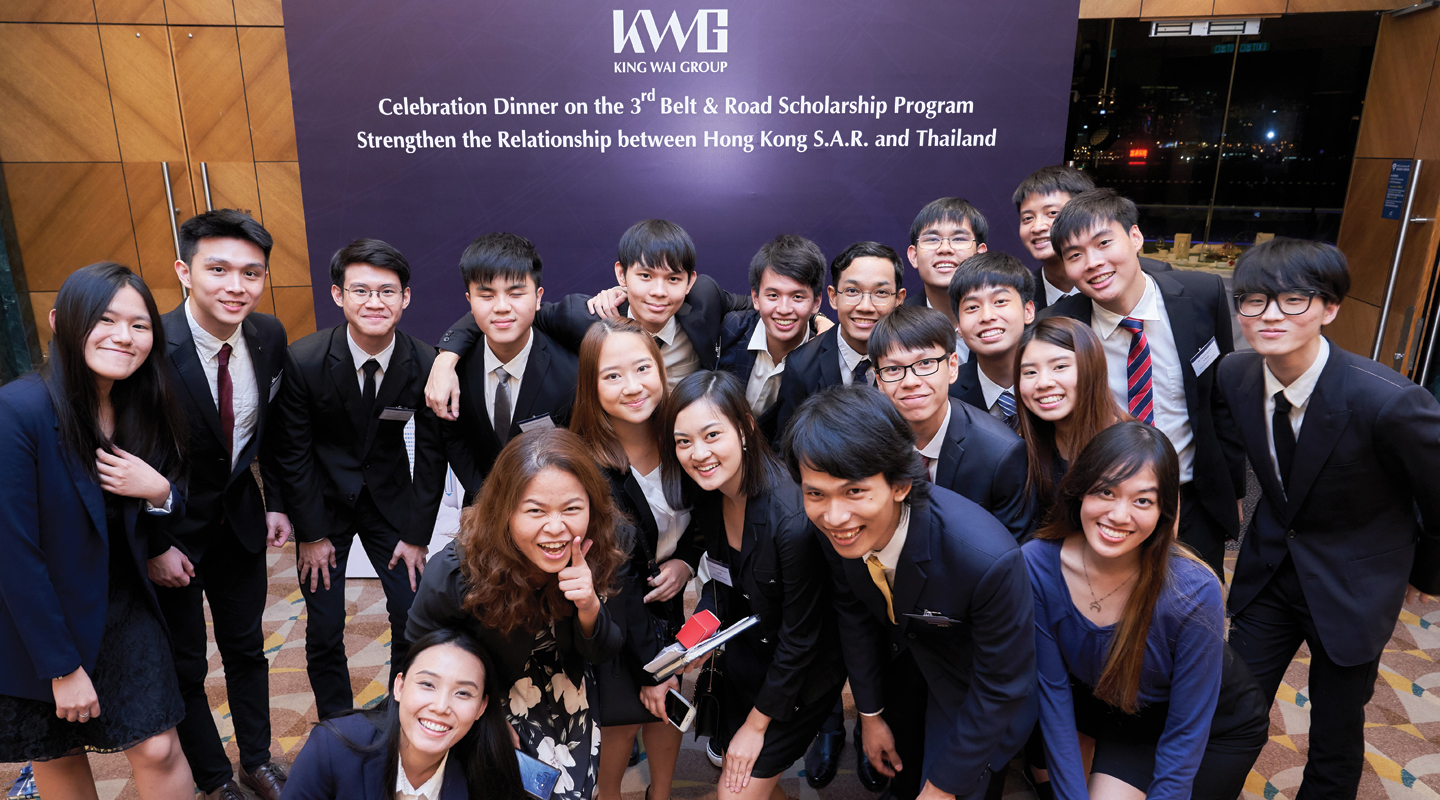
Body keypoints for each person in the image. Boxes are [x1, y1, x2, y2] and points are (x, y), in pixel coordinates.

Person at [1215, 238, 1440, 800]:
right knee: (1230, 707)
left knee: (1336, 731)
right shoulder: (1235, 377)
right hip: (1269, 571)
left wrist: (1420, 578)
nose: (1269, 315)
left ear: (1330, 308)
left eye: (1293, 300)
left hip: (1354, 585)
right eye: (1253, 300)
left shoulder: (1388, 401)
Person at [786, 384, 1035, 800]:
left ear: (901, 484)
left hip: (973, 688)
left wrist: (942, 788)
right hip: (907, 664)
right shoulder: (839, 529)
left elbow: (1001, 688)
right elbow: (854, 613)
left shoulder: (987, 561)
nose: (833, 516)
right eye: (815, 494)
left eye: (854, 491)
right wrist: (870, 714)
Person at [0, 263, 192, 798]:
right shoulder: (18, 410)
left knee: (158, 746)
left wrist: (158, 496)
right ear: (61, 322)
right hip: (38, 617)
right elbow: (13, 553)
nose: (124, 337)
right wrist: (61, 667)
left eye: (139, 324)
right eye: (105, 320)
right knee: (57, 750)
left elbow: (158, 503)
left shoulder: (141, 402)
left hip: (120, 601)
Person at [1025, 422, 1268, 800]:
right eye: (1106, 491)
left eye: (1142, 500)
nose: (1119, 515)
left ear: (1164, 512)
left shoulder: (1191, 589)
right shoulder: (1036, 565)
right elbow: (1054, 696)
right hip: (1127, 714)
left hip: (1217, 724)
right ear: (1080, 492)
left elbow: (1187, 729)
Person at [270, 238, 447, 720]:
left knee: (413, 614)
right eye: (361, 291)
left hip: (389, 503)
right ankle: (337, 725)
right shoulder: (304, 361)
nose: (375, 303)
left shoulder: (425, 362)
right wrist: (311, 535)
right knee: (325, 626)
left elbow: (432, 455)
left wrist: (416, 536)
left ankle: (398, 714)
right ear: (337, 295)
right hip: (321, 505)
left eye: (387, 292)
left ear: (406, 298)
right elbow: (292, 452)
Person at [151, 209, 292, 800]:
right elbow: (120, 452)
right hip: (170, 533)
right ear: (185, 271)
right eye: (219, 270)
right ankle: (214, 777)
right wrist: (156, 543)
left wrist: (278, 503)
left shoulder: (268, 336)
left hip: (239, 523)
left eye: (252, 273)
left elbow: (278, 431)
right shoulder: (151, 344)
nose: (237, 287)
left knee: (246, 649)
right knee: (185, 665)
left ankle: (256, 762)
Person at [406, 427, 628, 800]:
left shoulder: (600, 545)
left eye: (572, 508)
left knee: (570, 789)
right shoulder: (456, 571)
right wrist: (483, 716)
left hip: (564, 678)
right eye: (535, 511)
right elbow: (416, 654)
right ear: (504, 511)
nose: (556, 527)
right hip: (484, 686)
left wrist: (589, 605)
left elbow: (604, 652)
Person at [659, 371, 847, 800]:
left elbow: (802, 638)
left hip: (801, 671)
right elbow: (722, 584)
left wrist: (756, 724)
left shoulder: (791, 520)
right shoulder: (709, 493)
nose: (697, 453)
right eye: (683, 442)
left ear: (744, 427)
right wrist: (689, 643)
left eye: (711, 435)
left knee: (735, 789)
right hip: (749, 651)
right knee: (744, 782)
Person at [1044, 188, 1239, 576]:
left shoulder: (1202, 296)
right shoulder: (1061, 326)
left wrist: (1234, 490)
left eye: (1103, 243)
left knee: (1191, 611)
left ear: (1135, 237)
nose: (1093, 263)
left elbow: (1220, 401)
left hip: (1192, 498)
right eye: (1075, 255)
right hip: (1106, 507)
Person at [426, 219, 752, 416]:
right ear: (621, 275)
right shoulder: (585, 316)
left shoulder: (705, 298)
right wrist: (444, 361)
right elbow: (511, 313)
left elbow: (759, 306)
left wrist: (805, 311)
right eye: (645, 276)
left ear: (690, 282)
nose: (658, 291)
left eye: (673, 279)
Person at [570, 317, 701, 800]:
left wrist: (687, 561)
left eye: (643, 368)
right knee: (622, 721)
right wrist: (653, 665)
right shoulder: (586, 463)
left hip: (667, 602)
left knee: (668, 711)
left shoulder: (684, 437)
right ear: (591, 385)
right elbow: (613, 575)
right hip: (611, 611)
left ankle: (660, 795)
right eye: (612, 376)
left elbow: (706, 512)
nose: (633, 387)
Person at [281, 628, 526, 800]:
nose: (441, 707)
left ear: (482, 707)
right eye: (428, 684)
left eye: (462, 693)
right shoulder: (331, 748)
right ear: (399, 686)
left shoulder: (490, 768)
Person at [869, 305, 1033, 539]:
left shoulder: (1001, 454)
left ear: (952, 366)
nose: (910, 381)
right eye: (894, 369)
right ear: (880, 381)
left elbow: (1013, 555)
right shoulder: (868, 445)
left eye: (925, 363)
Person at [437, 232, 579, 501]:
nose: (501, 307)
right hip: (482, 507)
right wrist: (486, 502)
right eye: (487, 295)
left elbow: (581, 450)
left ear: (538, 298)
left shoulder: (570, 371)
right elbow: (454, 439)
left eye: (515, 294)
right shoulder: (453, 370)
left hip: (553, 508)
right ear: (469, 301)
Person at [766, 241, 907, 438]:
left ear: (898, 300)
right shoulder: (802, 365)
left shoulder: (912, 359)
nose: (865, 306)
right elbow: (787, 447)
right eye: (852, 291)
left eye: (881, 293)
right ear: (833, 297)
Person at [1015, 317, 1131, 522]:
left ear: (1091, 368)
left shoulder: (1136, 448)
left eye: (1059, 367)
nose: (1043, 383)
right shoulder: (1020, 446)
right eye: (1030, 372)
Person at [1012, 168, 1169, 314]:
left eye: (1052, 213)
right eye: (1027, 218)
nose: (1037, 227)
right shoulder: (1019, 295)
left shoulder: (1158, 279)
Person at [716, 235, 828, 418]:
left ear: (816, 303)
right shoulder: (730, 331)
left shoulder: (823, 360)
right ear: (755, 298)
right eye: (773, 295)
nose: (784, 309)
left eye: (797, 297)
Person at [947, 252, 1036, 423]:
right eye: (972, 307)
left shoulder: (1057, 380)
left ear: (1028, 311)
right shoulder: (947, 395)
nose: (987, 316)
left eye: (1000, 301)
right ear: (958, 325)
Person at [903, 197, 989, 362]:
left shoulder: (1000, 319)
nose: (944, 249)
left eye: (958, 239)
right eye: (932, 239)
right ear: (913, 256)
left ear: (980, 254)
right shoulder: (894, 324)